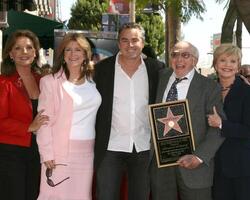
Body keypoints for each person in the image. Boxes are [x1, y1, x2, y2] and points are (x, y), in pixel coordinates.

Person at [94, 22, 164, 200]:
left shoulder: (157, 69)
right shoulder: (102, 69)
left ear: (143, 42)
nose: (130, 45)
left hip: (143, 147)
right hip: (110, 146)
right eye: (125, 40)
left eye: (135, 40)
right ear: (118, 44)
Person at [150, 41, 225, 200]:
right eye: (175, 54)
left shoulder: (210, 87)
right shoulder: (160, 78)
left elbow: (217, 128)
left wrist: (199, 157)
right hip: (161, 164)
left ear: (195, 60)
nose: (179, 59)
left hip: (194, 166)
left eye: (185, 55)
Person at [36, 33, 101, 200]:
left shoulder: (93, 80)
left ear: (86, 54)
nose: (73, 54)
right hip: (59, 153)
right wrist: (47, 153)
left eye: (78, 49)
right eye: (68, 50)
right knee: (55, 196)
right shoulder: (50, 82)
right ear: (63, 55)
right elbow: (44, 122)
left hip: (87, 154)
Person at [0, 30, 49, 200]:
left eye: (29, 47)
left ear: (36, 52)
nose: (24, 52)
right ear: (10, 54)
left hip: (36, 152)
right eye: (18, 48)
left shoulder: (42, 80)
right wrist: (29, 127)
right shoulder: (4, 82)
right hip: (10, 154)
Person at [207, 43, 250, 200]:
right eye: (223, 60)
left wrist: (221, 124)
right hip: (214, 166)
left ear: (238, 66)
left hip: (242, 167)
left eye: (233, 61)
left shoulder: (246, 92)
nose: (227, 65)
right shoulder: (208, 90)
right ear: (215, 63)